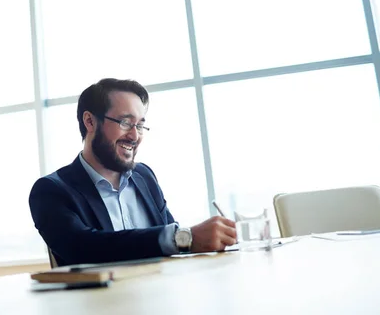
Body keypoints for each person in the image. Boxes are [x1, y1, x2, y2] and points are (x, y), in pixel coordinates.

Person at [29, 78, 236, 266]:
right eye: (125, 123)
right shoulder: (50, 191)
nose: (135, 136)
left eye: (140, 125)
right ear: (90, 121)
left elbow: (172, 243)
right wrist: (183, 239)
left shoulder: (144, 176)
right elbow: (84, 249)